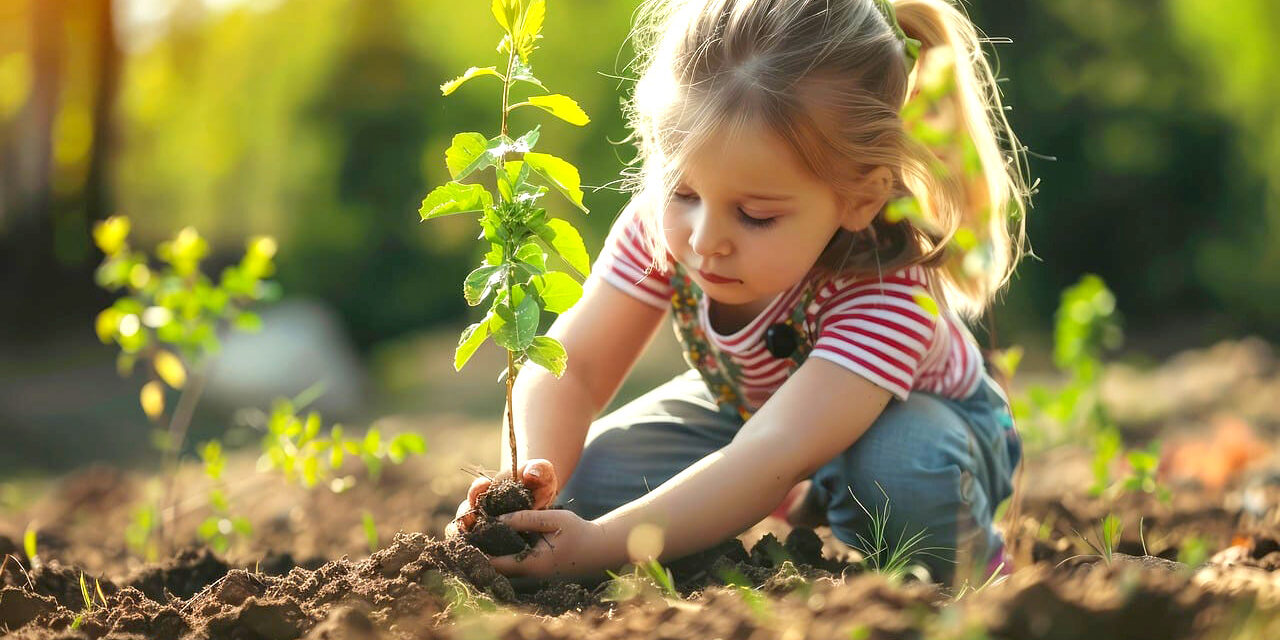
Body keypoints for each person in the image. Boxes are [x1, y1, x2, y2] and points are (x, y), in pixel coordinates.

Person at [445, 0, 1031, 588]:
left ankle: (975, 562)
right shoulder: (665, 224)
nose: (705, 240)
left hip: (917, 426)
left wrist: (599, 546)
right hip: (752, 415)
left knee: (901, 477)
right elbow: (577, 369)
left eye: (755, 215)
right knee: (591, 486)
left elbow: (772, 451)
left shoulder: (886, 288)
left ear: (861, 198)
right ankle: (807, 491)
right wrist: (525, 486)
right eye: (682, 192)